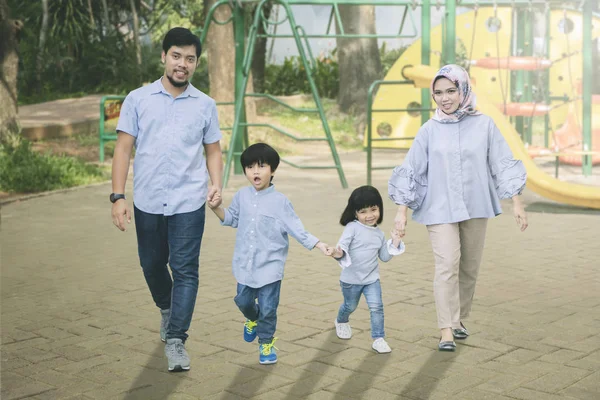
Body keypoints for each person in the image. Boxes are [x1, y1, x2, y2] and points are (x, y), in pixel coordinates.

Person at [388, 64, 528, 352]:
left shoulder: (485, 125)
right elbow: (411, 170)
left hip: (476, 205)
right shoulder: (428, 130)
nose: (445, 98)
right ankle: (446, 330)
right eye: (438, 92)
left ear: (463, 89)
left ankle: (460, 318)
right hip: (439, 207)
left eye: (451, 90)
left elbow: (501, 161)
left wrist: (516, 201)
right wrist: (401, 211)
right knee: (446, 265)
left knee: (469, 267)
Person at [110, 27, 223, 371]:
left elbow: (213, 150)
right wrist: (117, 196)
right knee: (151, 264)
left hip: (189, 201)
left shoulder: (205, 105)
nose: (182, 64)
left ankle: (176, 339)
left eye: (190, 59)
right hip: (147, 200)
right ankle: (167, 307)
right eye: (177, 56)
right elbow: (123, 149)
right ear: (163, 56)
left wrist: (216, 184)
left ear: (196, 63)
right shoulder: (138, 99)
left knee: (186, 270)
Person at [207, 143, 329, 364]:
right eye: (250, 166)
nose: (255, 171)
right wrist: (216, 207)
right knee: (242, 301)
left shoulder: (280, 202)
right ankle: (252, 319)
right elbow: (232, 219)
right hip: (246, 264)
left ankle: (265, 343)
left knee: (269, 308)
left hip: (271, 267)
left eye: (262, 166)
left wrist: (318, 244)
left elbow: (296, 229)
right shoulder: (242, 196)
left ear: (272, 170)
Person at [326, 186, 405, 354]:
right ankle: (341, 321)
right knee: (350, 306)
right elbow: (342, 248)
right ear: (355, 213)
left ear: (380, 209)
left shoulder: (379, 234)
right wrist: (336, 252)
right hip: (351, 280)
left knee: (376, 307)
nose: (369, 215)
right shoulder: (352, 228)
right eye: (363, 211)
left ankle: (378, 338)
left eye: (374, 209)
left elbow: (384, 256)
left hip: (371, 279)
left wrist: (395, 241)